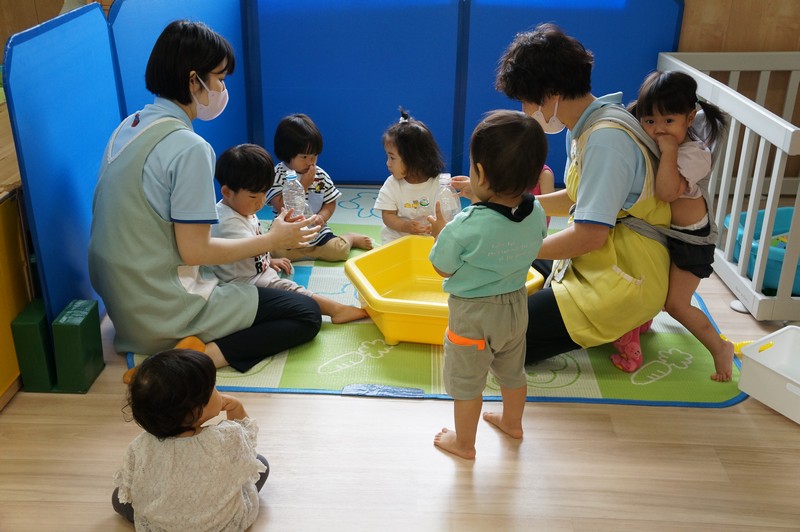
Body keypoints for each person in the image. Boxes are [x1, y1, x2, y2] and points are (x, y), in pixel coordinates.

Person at [88, 20, 322, 379]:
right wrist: (273, 240)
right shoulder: (189, 147)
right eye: (220, 78)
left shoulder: (129, 126)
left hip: (123, 307)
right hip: (165, 309)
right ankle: (189, 362)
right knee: (305, 314)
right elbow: (195, 251)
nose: (222, 89)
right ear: (193, 80)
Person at [494, 23, 672, 365]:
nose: (526, 110)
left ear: (551, 95)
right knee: (510, 259)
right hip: (604, 259)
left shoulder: (606, 139)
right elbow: (578, 198)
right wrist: (511, 207)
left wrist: (514, 248)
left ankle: (625, 321)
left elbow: (590, 236)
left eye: (527, 100)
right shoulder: (585, 125)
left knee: (499, 337)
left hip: (625, 276)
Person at [429, 110, 548, 460]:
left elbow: (442, 267)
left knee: (467, 382)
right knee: (513, 373)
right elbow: (512, 230)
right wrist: (483, 196)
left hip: (473, 316)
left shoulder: (464, 225)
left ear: (480, 173)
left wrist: (441, 233)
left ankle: (464, 444)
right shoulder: (536, 212)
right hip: (516, 307)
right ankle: (513, 423)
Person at [625, 70, 734, 380]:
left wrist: (670, 150)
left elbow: (667, 192)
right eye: (650, 120)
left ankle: (719, 348)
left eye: (668, 121)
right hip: (665, 233)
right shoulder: (654, 138)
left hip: (691, 241)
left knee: (676, 304)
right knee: (650, 284)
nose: (658, 129)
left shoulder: (695, 154)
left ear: (689, 118)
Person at [112, 349, 269, 529]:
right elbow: (249, 447)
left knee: (118, 497)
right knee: (260, 464)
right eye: (213, 388)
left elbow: (131, 483)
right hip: (221, 527)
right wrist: (237, 410)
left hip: (163, 527)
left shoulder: (140, 446)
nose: (218, 391)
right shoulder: (228, 437)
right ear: (194, 413)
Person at [212, 143, 367, 323]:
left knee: (288, 286)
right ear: (227, 192)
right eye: (254, 196)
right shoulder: (228, 221)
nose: (261, 202)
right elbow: (248, 248)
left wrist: (269, 260)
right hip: (243, 285)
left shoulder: (242, 207)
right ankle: (336, 310)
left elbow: (253, 247)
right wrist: (276, 241)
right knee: (288, 289)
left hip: (256, 273)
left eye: (264, 193)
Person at [266, 113, 373, 261]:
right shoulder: (278, 174)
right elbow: (280, 206)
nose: (310, 162)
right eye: (304, 157)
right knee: (276, 253)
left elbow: (330, 202)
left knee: (338, 252)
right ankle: (308, 253)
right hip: (287, 231)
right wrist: (303, 185)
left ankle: (350, 238)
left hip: (316, 232)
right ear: (287, 153)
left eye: (314, 156)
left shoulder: (320, 175)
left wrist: (322, 216)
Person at [374, 108, 448, 244]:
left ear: (414, 159)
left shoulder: (439, 184)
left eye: (392, 158)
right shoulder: (392, 184)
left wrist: (437, 228)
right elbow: (388, 216)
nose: (388, 163)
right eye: (387, 157)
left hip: (429, 240)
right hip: (398, 240)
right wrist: (406, 226)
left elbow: (448, 216)